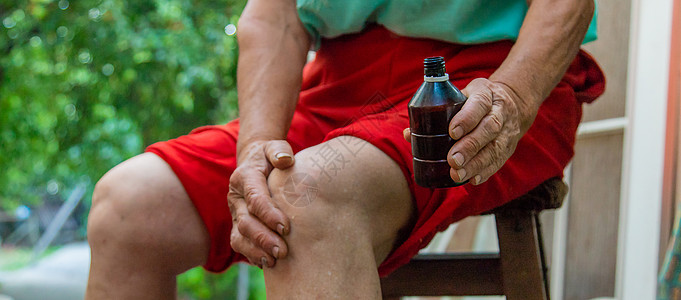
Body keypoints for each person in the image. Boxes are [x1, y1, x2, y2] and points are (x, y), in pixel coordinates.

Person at [84, 0, 605, 298]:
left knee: (302, 200)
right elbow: (275, 17)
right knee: (128, 207)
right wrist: (257, 146)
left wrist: (516, 92)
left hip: (494, 70)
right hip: (340, 78)